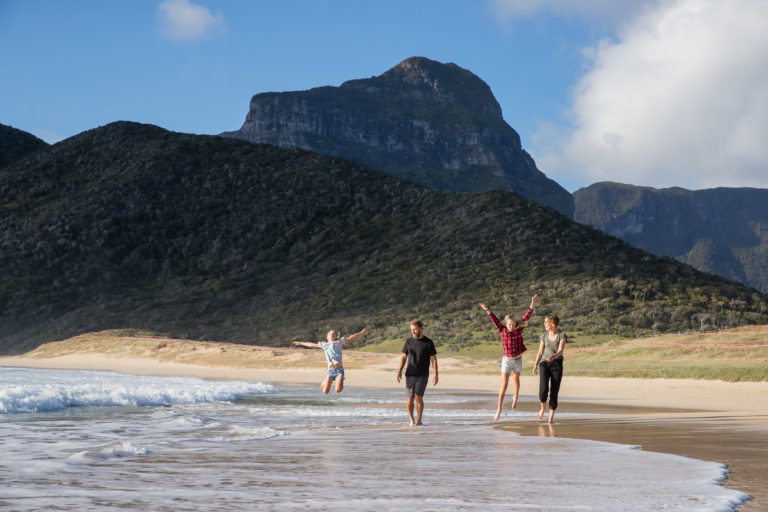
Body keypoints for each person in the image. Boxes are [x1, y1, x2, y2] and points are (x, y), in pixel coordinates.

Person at [479, 294, 539, 421]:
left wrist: (532, 303)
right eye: (509, 324)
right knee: (503, 385)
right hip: (506, 361)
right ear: (506, 324)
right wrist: (488, 310)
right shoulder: (502, 330)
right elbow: (494, 320)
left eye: (512, 324)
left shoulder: (519, 330)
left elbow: (526, 317)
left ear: (515, 324)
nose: (511, 326)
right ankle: (499, 409)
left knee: (516, 380)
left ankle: (515, 396)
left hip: (517, 360)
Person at [292, 327, 367, 394]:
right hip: (330, 371)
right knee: (325, 391)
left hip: (339, 371)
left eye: (334, 334)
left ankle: (337, 381)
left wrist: (361, 333)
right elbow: (311, 344)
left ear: (336, 336)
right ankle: (324, 382)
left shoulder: (339, 342)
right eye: (330, 333)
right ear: (327, 337)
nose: (332, 334)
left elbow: (350, 337)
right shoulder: (324, 344)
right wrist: (300, 343)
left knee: (338, 390)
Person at [397, 319, 438, 426]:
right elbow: (403, 357)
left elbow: (433, 359)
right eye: (411, 330)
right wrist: (399, 371)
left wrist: (436, 374)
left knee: (418, 396)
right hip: (410, 374)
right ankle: (412, 420)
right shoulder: (408, 341)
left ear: (421, 328)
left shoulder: (428, 342)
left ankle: (419, 420)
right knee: (410, 398)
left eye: (414, 329)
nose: (413, 331)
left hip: (423, 375)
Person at [532, 315, 567, 424]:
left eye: (546, 322)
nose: (544, 324)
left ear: (552, 323)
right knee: (543, 391)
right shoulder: (543, 336)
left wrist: (554, 356)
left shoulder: (561, 336)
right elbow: (540, 352)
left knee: (554, 392)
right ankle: (542, 408)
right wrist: (535, 365)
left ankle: (551, 418)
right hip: (544, 364)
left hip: (556, 364)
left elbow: (561, 350)